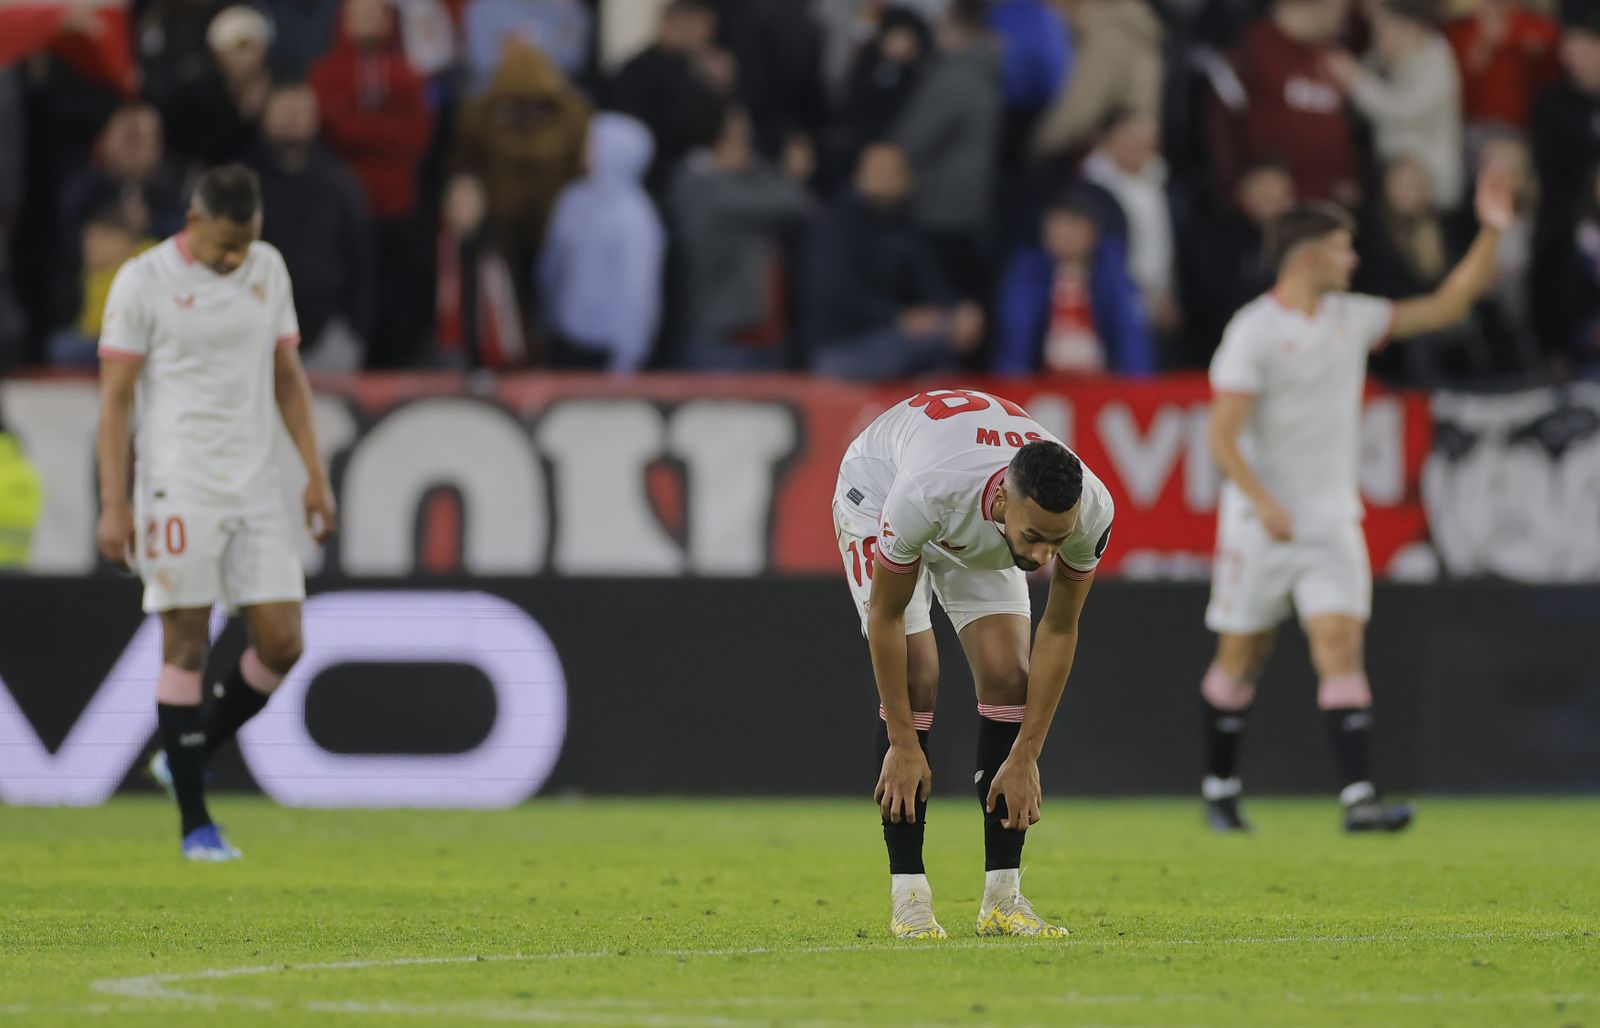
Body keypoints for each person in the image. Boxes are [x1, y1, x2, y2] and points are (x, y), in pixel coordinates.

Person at [1198, 165, 1515, 834]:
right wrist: (1264, 501)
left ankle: (1358, 800)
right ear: (1308, 254)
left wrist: (1492, 230)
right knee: (1242, 657)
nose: (1354, 256)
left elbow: (1448, 304)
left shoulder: (1351, 317)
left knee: (1339, 643)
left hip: (1331, 518)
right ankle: (1220, 788)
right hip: (1261, 524)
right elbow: (1221, 439)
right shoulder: (1253, 331)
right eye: (1343, 246)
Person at [94, 165, 335, 860]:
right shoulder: (142, 282)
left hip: (255, 485)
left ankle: (184, 759)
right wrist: (116, 502)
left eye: (247, 242)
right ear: (192, 224)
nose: (236, 258)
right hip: (179, 484)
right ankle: (196, 824)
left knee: (285, 642)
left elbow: (288, 377)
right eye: (226, 245)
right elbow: (114, 401)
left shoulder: (268, 269)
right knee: (187, 643)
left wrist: (314, 476)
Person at [833, 390, 1115, 938]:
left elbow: (1058, 629)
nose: (1040, 559)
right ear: (1005, 501)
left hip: (974, 526)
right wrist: (903, 743)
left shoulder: (1092, 511)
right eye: (1034, 538)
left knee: (1010, 675)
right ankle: (909, 897)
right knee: (918, 678)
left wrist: (1027, 753)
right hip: (878, 492)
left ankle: (1003, 900)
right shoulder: (928, 491)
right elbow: (886, 618)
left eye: (1056, 543)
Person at [309, 0, 434, 368]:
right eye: (357, 13)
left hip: (397, 207)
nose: (366, 21)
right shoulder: (323, 73)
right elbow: (333, 130)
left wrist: (358, 126)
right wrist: (382, 128)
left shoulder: (409, 74)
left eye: (374, 13)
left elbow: (415, 136)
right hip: (343, 209)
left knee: (396, 298)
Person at [806, 144, 981, 379]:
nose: (884, 178)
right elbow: (841, 293)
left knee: (950, 346)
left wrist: (958, 308)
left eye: (893, 171)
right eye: (877, 170)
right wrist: (898, 317)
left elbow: (931, 283)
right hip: (843, 347)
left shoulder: (907, 226)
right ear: (859, 176)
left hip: (894, 339)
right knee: (937, 338)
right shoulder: (835, 223)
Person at [669, 105, 811, 371]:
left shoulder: (732, 183)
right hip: (722, 339)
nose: (749, 148)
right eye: (741, 137)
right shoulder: (704, 189)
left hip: (759, 335)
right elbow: (794, 203)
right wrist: (790, 175)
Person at [249, 83, 375, 370]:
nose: (292, 119)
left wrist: (355, 331)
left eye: (300, 111)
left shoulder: (340, 184)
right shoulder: (243, 184)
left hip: (330, 341)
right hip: (256, 341)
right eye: (283, 110)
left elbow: (362, 262)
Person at [889, 0, 1003, 301]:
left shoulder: (956, 74)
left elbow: (911, 139)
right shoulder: (987, 65)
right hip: (974, 202)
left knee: (944, 301)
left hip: (942, 206)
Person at [538, 113, 665, 372]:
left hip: (605, 350)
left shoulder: (636, 218)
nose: (585, 149)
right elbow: (552, 266)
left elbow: (638, 295)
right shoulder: (572, 199)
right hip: (562, 338)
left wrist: (627, 358)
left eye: (592, 142)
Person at [993, 191, 1155, 375]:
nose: (1059, 234)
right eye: (1053, 225)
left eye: (1069, 226)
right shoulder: (1027, 272)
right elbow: (1016, 335)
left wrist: (1137, 390)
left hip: (1103, 383)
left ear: (1091, 233)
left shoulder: (1112, 272)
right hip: (1041, 383)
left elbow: (1130, 336)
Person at [1323, 0, 1465, 209]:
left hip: (1430, 190)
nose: (1378, 37)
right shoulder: (1388, 58)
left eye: (1384, 28)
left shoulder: (1436, 57)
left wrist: (1355, 79)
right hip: (1391, 181)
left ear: (1410, 28)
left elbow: (1403, 109)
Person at [1222, 0, 1359, 206]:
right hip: (1276, 202)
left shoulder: (1335, 54)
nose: (1344, 17)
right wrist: (1237, 182)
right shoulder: (1259, 44)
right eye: (1337, 8)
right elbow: (1224, 117)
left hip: (1330, 200)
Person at [1178, 156, 1296, 365]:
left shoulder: (1301, 244)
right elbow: (1213, 299)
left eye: (1277, 190)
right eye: (1262, 189)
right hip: (1221, 347)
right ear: (1243, 193)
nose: (1270, 196)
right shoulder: (1215, 237)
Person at [606, 0, 729, 195]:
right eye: (703, 25)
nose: (708, 34)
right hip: (656, 182)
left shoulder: (693, 71)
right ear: (678, 23)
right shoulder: (636, 73)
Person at [1031, 0, 1163, 160]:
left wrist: (1037, 149)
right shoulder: (1133, 27)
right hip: (1127, 159)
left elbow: (1076, 117)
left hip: (1101, 161)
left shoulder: (1107, 34)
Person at [1444, 0, 1560, 132]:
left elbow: (1553, 80)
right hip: (1469, 126)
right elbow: (1451, 90)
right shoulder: (1458, 31)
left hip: (1523, 128)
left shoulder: (1538, 28)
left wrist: (1536, 55)